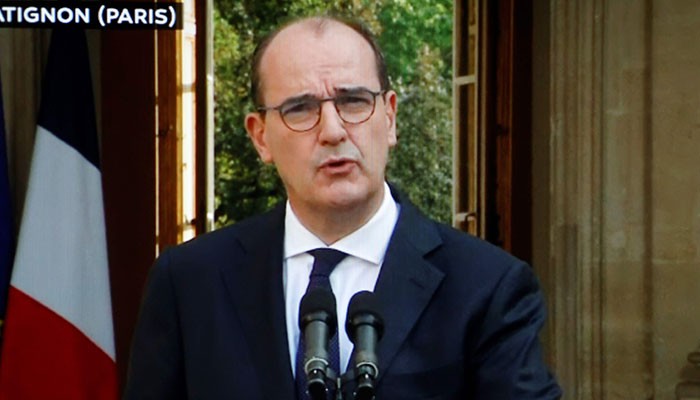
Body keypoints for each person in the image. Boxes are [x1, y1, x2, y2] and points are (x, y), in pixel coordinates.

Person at [124, 15, 562, 400]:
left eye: (353, 102)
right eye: (300, 108)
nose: (333, 131)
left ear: (389, 118)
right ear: (260, 137)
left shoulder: (488, 287)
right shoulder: (189, 283)